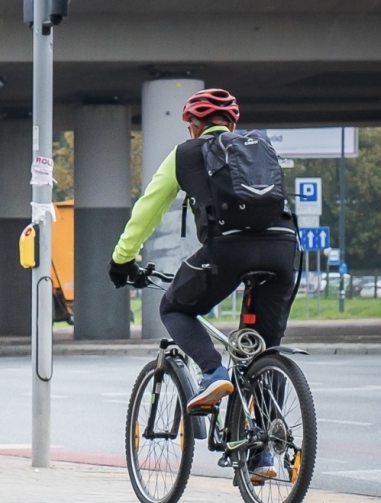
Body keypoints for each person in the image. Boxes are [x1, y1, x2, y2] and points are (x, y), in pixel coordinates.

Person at [108, 89, 297, 479]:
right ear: (232, 124)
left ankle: (214, 374)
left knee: (174, 307)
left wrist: (122, 259)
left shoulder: (186, 154)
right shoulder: (260, 150)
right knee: (263, 348)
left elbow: (148, 208)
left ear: (193, 126)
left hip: (228, 251)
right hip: (282, 251)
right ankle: (263, 457)